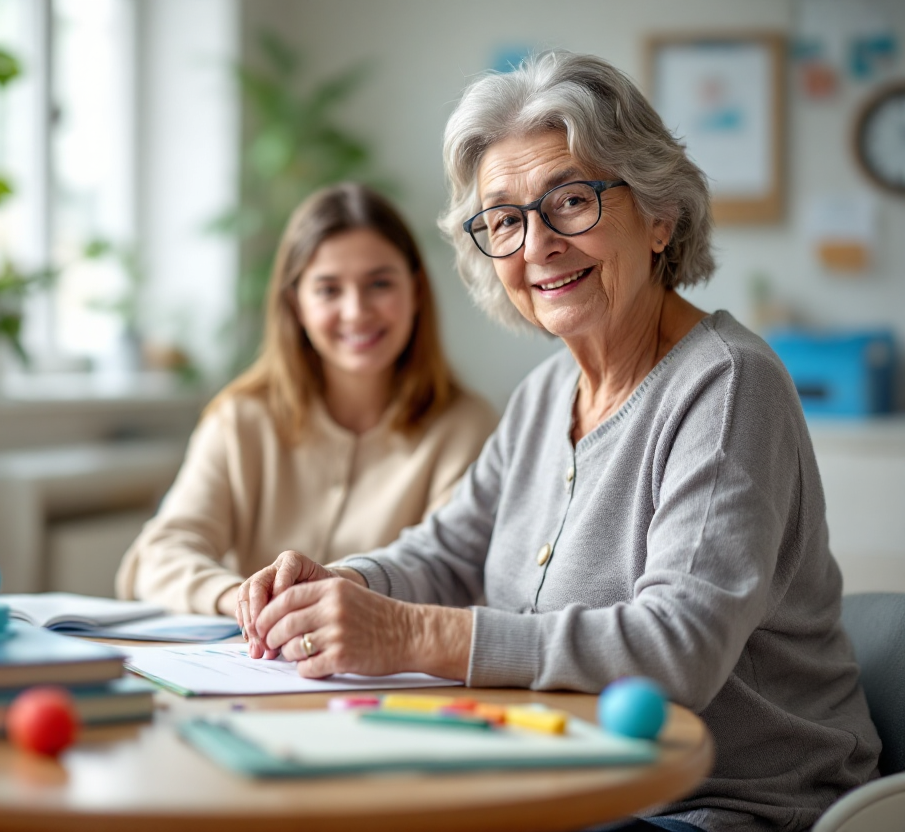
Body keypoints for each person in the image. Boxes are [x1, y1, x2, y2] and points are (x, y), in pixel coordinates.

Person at [236, 52, 880, 832]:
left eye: (571, 201)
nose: (537, 244)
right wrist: (341, 584)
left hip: (719, 804)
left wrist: (402, 633)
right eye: (505, 219)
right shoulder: (546, 394)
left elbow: (677, 647)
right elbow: (447, 554)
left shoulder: (728, 385)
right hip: (559, 784)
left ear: (658, 215)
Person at [115, 182, 497, 617]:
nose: (356, 310)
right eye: (328, 289)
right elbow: (159, 555)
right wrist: (243, 601)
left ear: (416, 293)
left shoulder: (467, 426)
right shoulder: (241, 419)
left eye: (379, 284)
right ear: (296, 304)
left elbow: (449, 575)